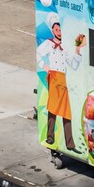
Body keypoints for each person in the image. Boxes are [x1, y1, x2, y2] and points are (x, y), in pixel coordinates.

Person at [35, 20, 85, 151]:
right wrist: (45, 66)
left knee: (66, 112)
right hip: (54, 77)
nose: (59, 32)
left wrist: (77, 49)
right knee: (52, 108)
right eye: (56, 30)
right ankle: (50, 137)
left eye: (60, 30)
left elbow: (74, 66)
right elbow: (37, 54)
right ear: (53, 31)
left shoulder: (66, 47)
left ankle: (70, 144)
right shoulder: (48, 43)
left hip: (63, 80)